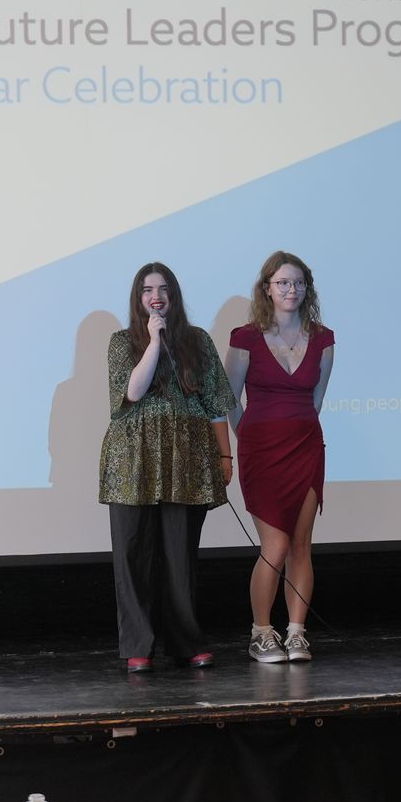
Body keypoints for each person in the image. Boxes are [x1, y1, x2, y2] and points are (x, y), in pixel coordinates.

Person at [100, 261, 234, 672]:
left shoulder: (198, 341)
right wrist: (154, 342)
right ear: (137, 299)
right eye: (146, 290)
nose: (155, 296)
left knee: (180, 555)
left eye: (162, 289)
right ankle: (138, 646)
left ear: (174, 295)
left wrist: (226, 456)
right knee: (133, 554)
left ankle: (186, 643)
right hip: (132, 458)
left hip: (187, 457)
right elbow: (133, 392)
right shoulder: (122, 342)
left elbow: (215, 406)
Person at [226, 250, 335, 664]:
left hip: (305, 447)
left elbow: (317, 398)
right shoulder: (245, 337)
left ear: (307, 289)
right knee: (275, 545)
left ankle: (295, 633)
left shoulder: (324, 339)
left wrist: (294, 429)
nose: (291, 290)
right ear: (267, 289)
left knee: (301, 546)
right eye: (283, 283)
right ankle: (260, 632)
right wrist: (249, 436)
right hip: (261, 451)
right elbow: (228, 400)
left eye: (299, 283)